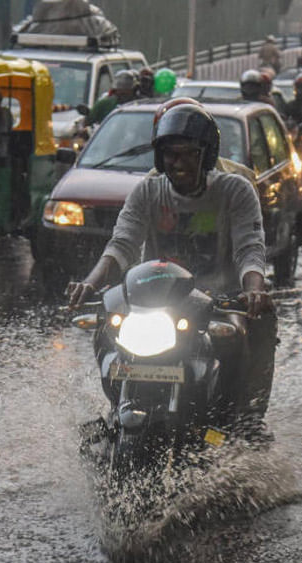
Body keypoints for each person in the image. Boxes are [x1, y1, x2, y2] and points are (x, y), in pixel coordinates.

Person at [66, 104, 277, 440]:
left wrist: (253, 289)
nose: (177, 163)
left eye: (187, 155)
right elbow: (121, 245)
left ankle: (247, 416)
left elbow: (249, 249)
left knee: (251, 327)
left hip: (218, 301)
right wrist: (90, 284)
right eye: (169, 155)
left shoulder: (235, 189)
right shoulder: (148, 191)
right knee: (106, 327)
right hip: (156, 298)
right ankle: (117, 402)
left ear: (206, 156)